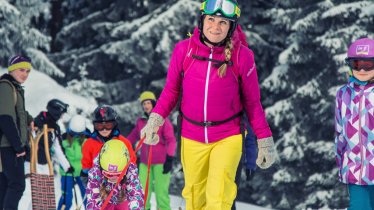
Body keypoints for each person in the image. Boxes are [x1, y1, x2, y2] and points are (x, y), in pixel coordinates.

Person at [140, 1, 277, 209]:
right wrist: (154, 120)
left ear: (231, 26)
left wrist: (264, 140)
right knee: (195, 199)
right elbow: (171, 91)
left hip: (227, 135)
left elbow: (253, 103)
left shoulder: (243, 56)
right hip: (191, 134)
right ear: (202, 20)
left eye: (223, 22)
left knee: (218, 197)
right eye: (211, 19)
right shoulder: (184, 51)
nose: (216, 26)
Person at [335, 37, 374, 210]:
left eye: (368, 64)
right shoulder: (343, 94)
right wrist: (341, 162)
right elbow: (339, 132)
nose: (363, 70)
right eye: (357, 64)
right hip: (355, 167)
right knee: (359, 207)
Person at [127, 91, 177, 210]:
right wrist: (119, 143)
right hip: (145, 163)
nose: (146, 106)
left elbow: (171, 140)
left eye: (148, 103)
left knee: (161, 193)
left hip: (161, 163)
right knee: (142, 192)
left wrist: (169, 158)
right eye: (144, 103)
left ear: (154, 104)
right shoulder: (141, 122)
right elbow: (131, 137)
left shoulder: (163, 120)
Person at [0, 55, 34, 210]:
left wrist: (30, 119)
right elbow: (5, 118)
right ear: (12, 69)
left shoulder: (15, 88)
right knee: (17, 185)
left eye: (27, 71)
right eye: (21, 70)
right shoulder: (6, 86)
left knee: (6, 186)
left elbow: (18, 113)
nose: (25, 74)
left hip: (9, 146)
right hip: (8, 146)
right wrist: (18, 146)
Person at [81, 105, 136, 185]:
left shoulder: (123, 142)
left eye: (108, 125)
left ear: (114, 125)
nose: (104, 129)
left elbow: (132, 161)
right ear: (95, 126)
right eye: (100, 126)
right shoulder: (89, 143)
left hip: (119, 183)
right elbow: (86, 163)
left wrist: (128, 179)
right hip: (97, 184)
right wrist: (87, 179)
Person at [86, 139, 144, 209]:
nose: (113, 177)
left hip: (123, 200)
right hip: (104, 201)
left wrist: (136, 207)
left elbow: (136, 194)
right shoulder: (95, 173)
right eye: (109, 174)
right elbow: (93, 199)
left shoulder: (130, 171)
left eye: (119, 175)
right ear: (102, 169)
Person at [57, 115, 89, 210]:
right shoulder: (63, 139)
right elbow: (58, 153)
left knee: (87, 196)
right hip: (67, 171)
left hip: (82, 172)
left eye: (78, 134)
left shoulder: (88, 140)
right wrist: (66, 166)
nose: (75, 136)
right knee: (67, 198)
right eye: (73, 133)